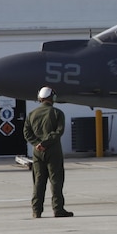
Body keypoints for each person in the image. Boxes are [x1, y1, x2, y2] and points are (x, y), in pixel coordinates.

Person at [23, 86, 72, 218]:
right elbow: (58, 132)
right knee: (56, 181)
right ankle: (58, 209)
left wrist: (37, 144)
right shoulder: (57, 113)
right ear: (52, 98)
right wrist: (45, 143)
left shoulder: (31, 114)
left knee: (38, 181)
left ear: (40, 98)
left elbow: (27, 133)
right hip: (53, 150)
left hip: (37, 152)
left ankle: (36, 211)